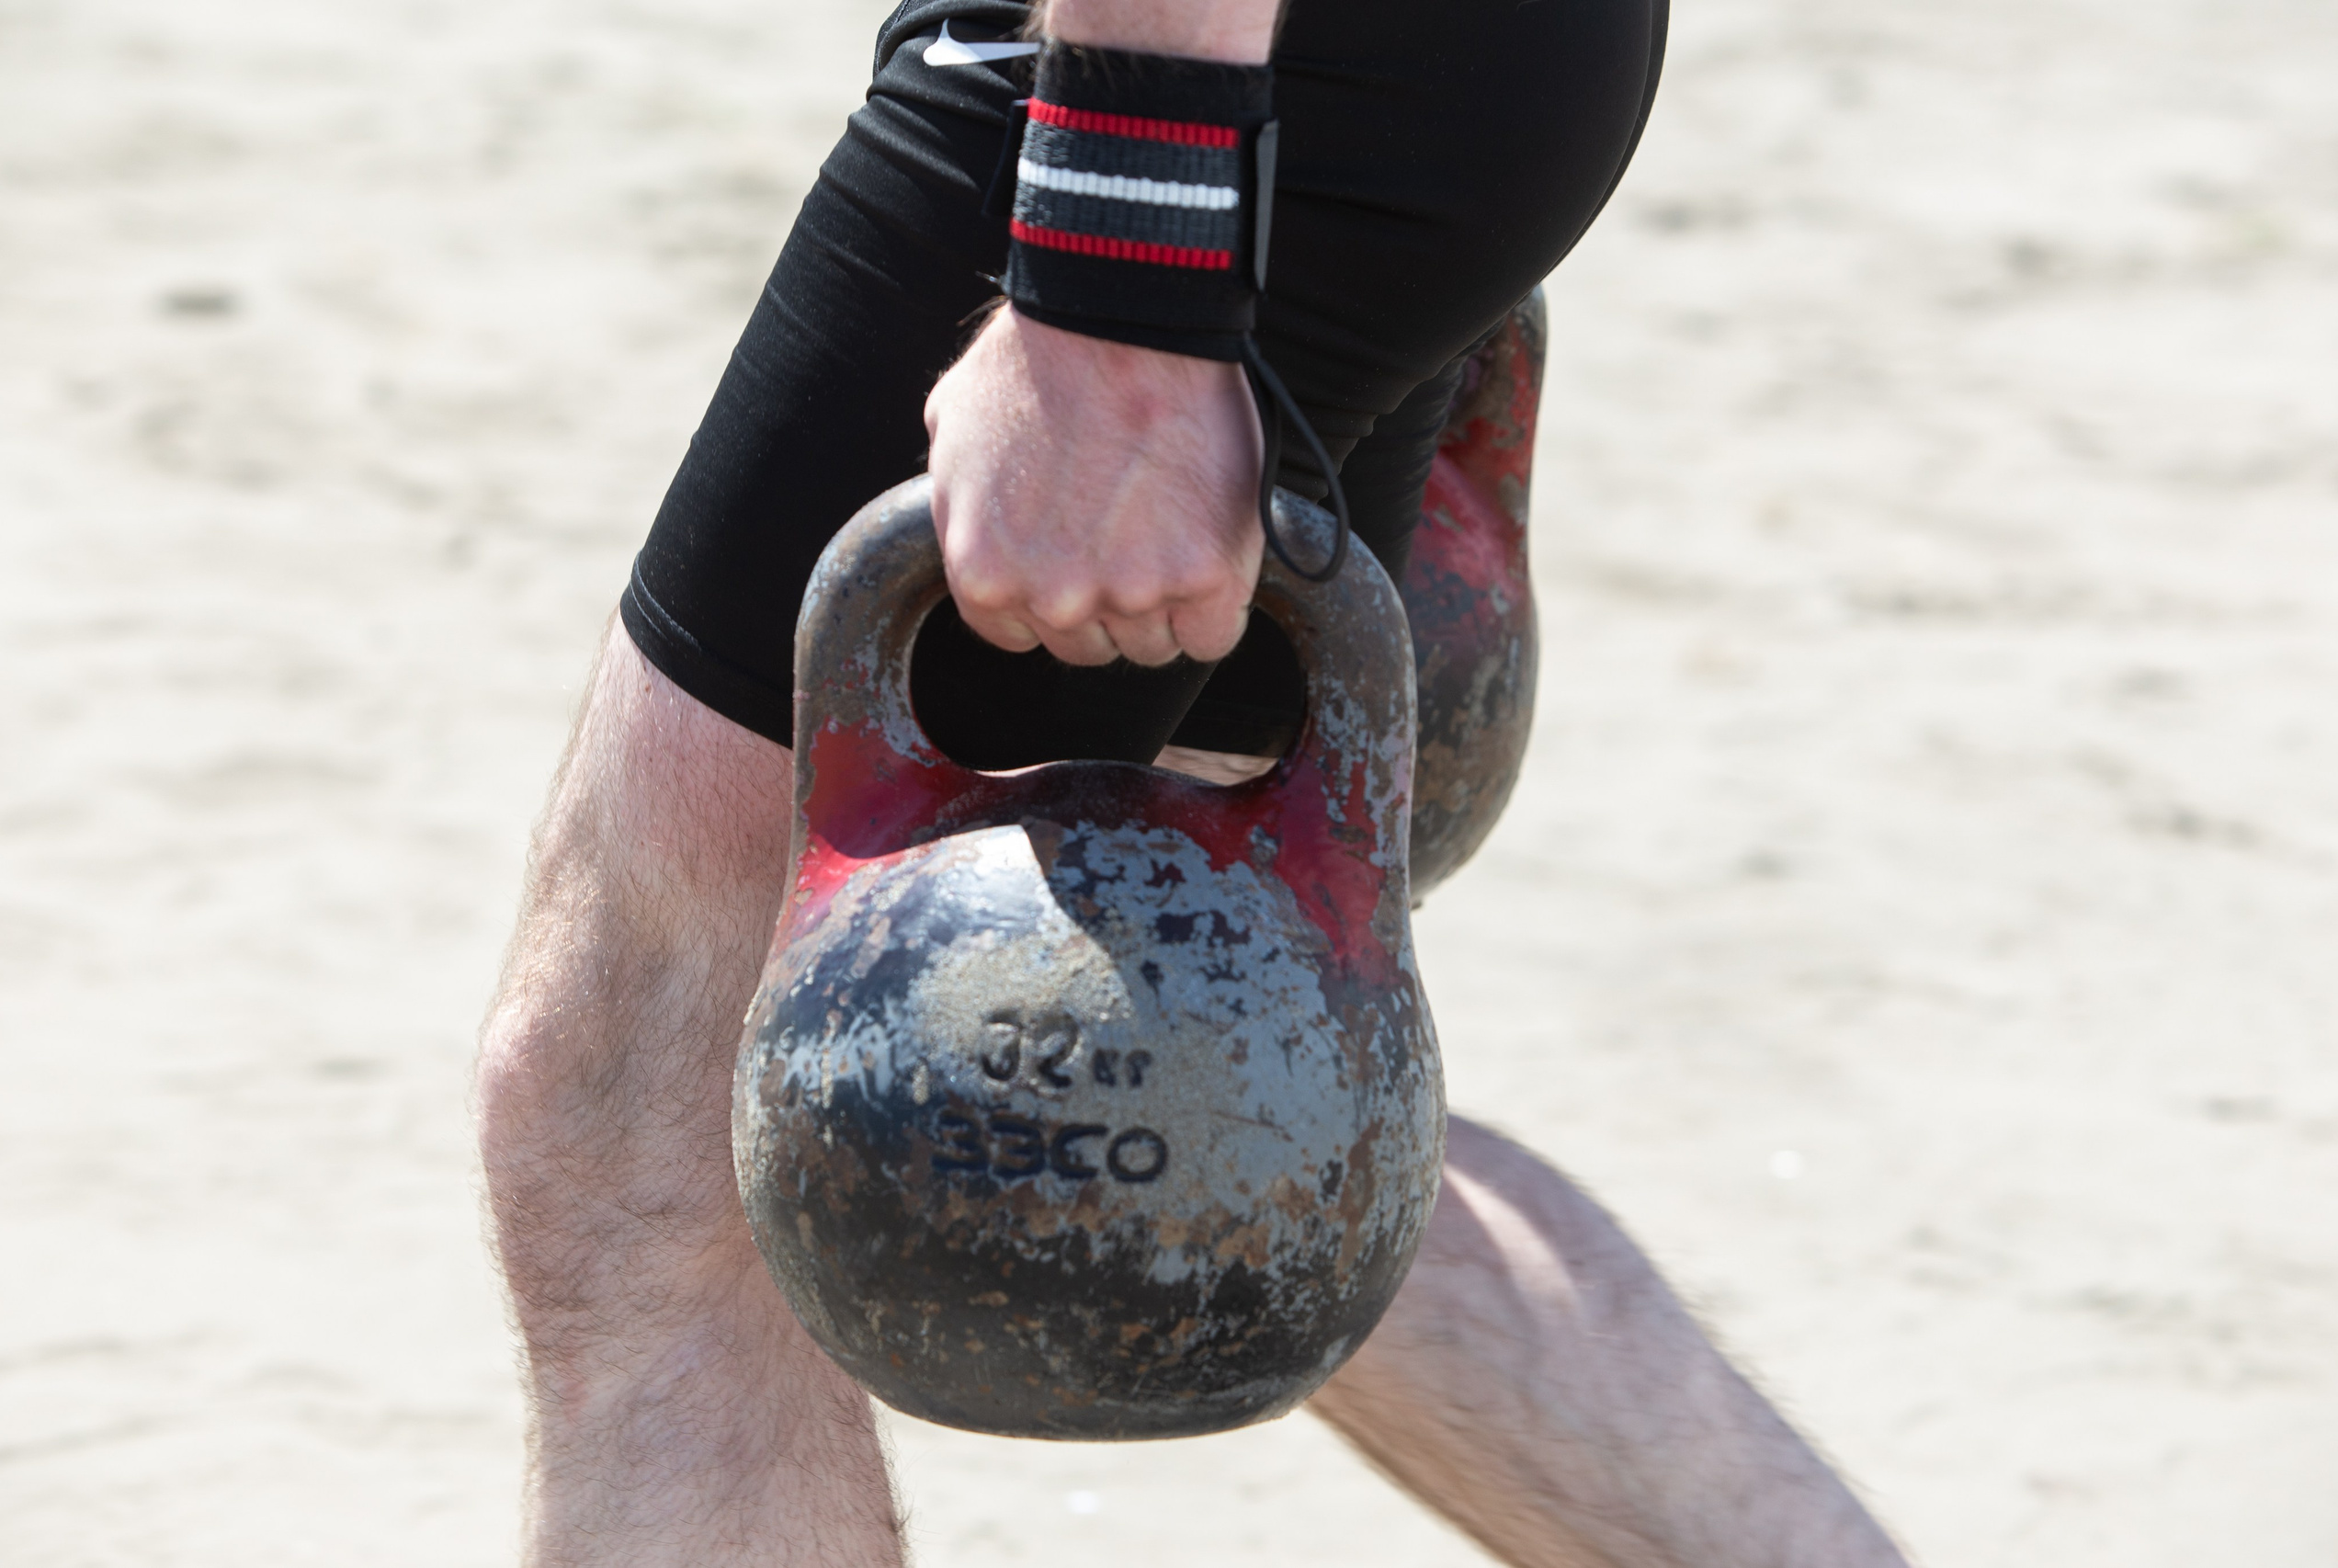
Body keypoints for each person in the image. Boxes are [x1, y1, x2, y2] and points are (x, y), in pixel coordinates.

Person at [475, 0, 1916, 1562]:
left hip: (1194, 87)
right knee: (1224, 1078)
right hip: (1304, 77)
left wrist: (1123, 249)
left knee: (641, 1107)